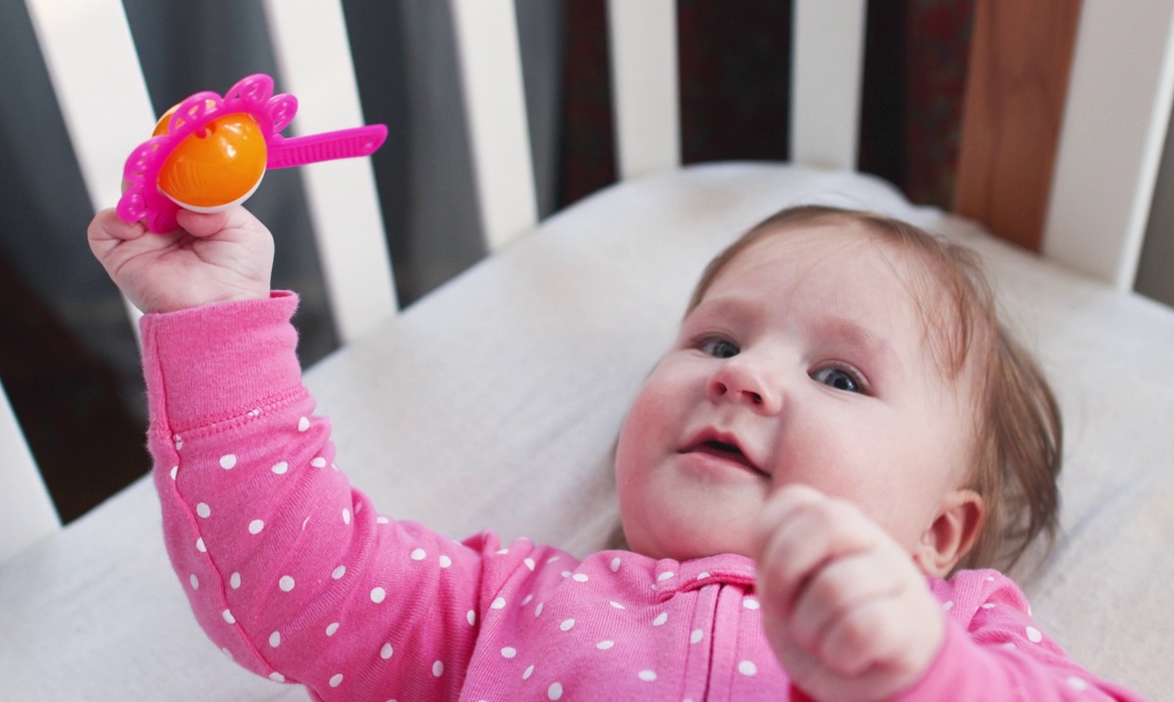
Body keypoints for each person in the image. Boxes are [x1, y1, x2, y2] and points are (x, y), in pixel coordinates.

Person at [89, 202, 1141, 701]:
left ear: (938, 532)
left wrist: (923, 672)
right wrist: (216, 326)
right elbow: (293, 585)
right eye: (714, 342)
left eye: (837, 377)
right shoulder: (500, 602)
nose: (742, 376)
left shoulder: (964, 638)